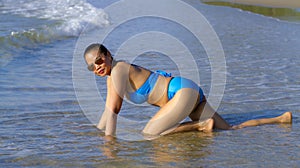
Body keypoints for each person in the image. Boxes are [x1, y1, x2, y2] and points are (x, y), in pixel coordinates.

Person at [84, 43, 292, 138]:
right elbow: (107, 111)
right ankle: (281, 119)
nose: (98, 67)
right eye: (92, 67)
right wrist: (97, 132)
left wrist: (109, 144)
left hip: (181, 94)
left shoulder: (119, 69)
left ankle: (201, 126)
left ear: (108, 55)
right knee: (230, 129)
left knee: (149, 133)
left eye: (99, 60)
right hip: (186, 90)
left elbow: (114, 110)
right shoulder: (112, 76)